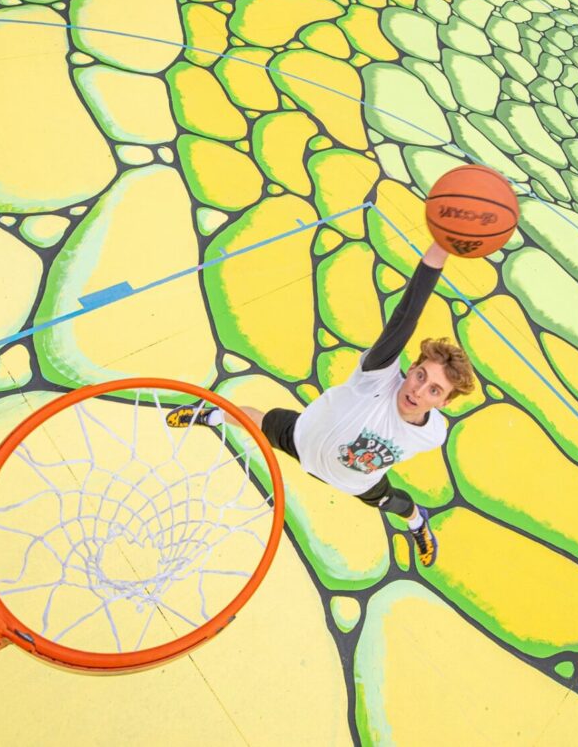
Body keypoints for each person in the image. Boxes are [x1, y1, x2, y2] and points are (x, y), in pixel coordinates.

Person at [166, 242, 475, 567]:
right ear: (410, 368)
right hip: (304, 439)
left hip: (358, 481)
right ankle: (211, 414)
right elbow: (405, 317)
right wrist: (438, 253)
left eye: (434, 390)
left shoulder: (434, 434)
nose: (419, 389)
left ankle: (418, 524)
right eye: (420, 375)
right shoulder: (378, 376)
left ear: (445, 402)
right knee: (255, 419)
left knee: (395, 503)